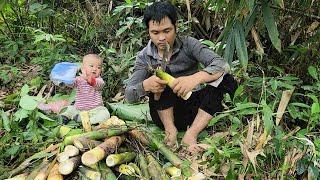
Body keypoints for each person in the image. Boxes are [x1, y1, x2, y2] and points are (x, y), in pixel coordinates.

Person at [124, 1, 237, 153]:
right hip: (163, 115)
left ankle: (191, 134)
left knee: (227, 80)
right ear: (148, 32)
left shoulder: (189, 44)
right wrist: (145, 86)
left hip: (196, 110)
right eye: (155, 33)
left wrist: (196, 78)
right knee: (162, 74)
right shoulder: (145, 56)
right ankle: (171, 132)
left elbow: (222, 64)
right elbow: (129, 95)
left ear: (176, 26)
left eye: (167, 30)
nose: (161, 38)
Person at [59, 54, 110, 124]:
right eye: (91, 66)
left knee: (105, 114)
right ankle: (64, 117)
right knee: (69, 109)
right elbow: (71, 84)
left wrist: (87, 78)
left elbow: (97, 84)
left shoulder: (99, 80)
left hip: (95, 110)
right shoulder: (79, 79)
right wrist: (65, 80)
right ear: (83, 68)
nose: (95, 69)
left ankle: (89, 121)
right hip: (79, 110)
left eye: (98, 67)